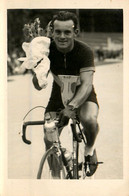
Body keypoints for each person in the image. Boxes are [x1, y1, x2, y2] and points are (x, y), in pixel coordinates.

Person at [33, 11, 99, 177]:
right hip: (58, 96)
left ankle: (89, 149)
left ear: (75, 33)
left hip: (83, 95)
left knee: (89, 120)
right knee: (49, 136)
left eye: (67, 32)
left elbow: (87, 84)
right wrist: (38, 68)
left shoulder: (85, 51)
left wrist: (71, 106)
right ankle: (56, 177)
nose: (62, 36)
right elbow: (38, 86)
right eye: (58, 32)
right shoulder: (47, 50)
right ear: (52, 32)